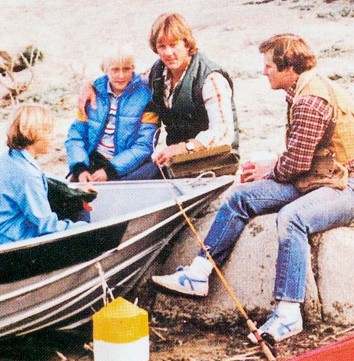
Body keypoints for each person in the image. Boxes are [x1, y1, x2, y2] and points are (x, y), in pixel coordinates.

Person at [152, 33, 354, 343]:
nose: (264, 71)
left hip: (345, 188)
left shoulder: (310, 100)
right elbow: (301, 158)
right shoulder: (301, 88)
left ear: (288, 67)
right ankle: (199, 273)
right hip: (318, 177)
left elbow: (295, 165)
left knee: (292, 218)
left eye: (269, 66)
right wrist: (271, 166)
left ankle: (288, 314)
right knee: (241, 196)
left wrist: (269, 169)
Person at [84, 13, 238, 180]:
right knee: (126, 177)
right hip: (177, 159)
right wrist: (91, 86)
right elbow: (126, 81)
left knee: (134, 182)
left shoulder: (210, 78)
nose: (168, 53)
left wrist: (185, 147)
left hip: (216, 161)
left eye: (173, 45)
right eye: (162, 46)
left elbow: (223, 132)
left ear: (187, 44)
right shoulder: (158, 72)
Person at [65, 48, 160, 183]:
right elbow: (76, 136)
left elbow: (144, 145)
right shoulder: (91, 94)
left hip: (128, 165)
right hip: (93, 161)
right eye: (115, 70)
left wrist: (110, 170)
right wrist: (80, 168)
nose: (121, 75)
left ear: (133, 69)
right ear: (105, 70)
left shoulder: (146, 96)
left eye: (126, 69)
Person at [0, 106, 77, 244]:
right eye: (48, 132)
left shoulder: (9, 157)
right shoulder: (27, 174)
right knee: (80, 216)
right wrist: (86, 227)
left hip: (7, 231)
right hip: (14, 239)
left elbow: (42, 176)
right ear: (32, 133)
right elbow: (47, 226)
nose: (53, 137)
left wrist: (72, 188)